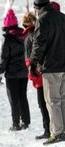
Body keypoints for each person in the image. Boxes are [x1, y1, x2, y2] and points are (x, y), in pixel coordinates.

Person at [29, 0, 65, 145]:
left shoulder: (42, 20)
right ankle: (62, 130)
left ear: (37, 6)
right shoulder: (62, 16)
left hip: (50, 66)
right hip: (64, 65)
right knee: (63, 99)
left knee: (52, 100)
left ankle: (57, 133)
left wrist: (32, 63)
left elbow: (38, 44)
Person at [0, 9, 30, 131]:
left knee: (13, 99)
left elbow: (4, 58)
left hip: (11, 74)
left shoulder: (7, 39)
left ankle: (16, 124)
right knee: (23, 96)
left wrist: (0, 71)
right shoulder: (24, 35)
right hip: (24, 72)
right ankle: (25, 122)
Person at [23, 11, 50, 140]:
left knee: (43, 104)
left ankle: (48, 130)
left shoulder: (29, 37)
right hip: (47, 70)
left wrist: (31, 70)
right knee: (52, 102)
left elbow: (29, 59)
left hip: (38, 73)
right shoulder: (41, 32)